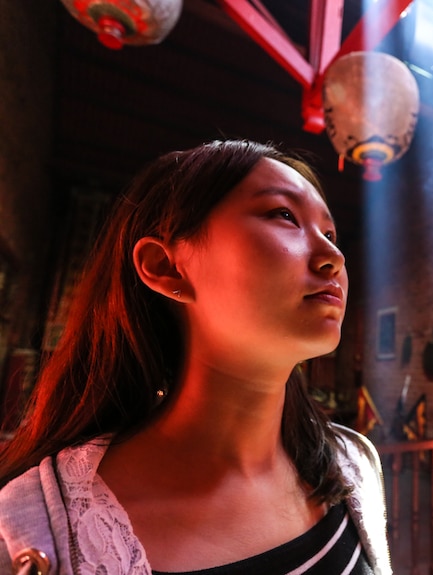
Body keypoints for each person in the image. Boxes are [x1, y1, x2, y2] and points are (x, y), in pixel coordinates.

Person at [0, 140, 391, 575]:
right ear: (166, 268)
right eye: (283, 215)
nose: (333, 257)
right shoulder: (33, 534)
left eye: (331, 235)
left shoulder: (351, 465)